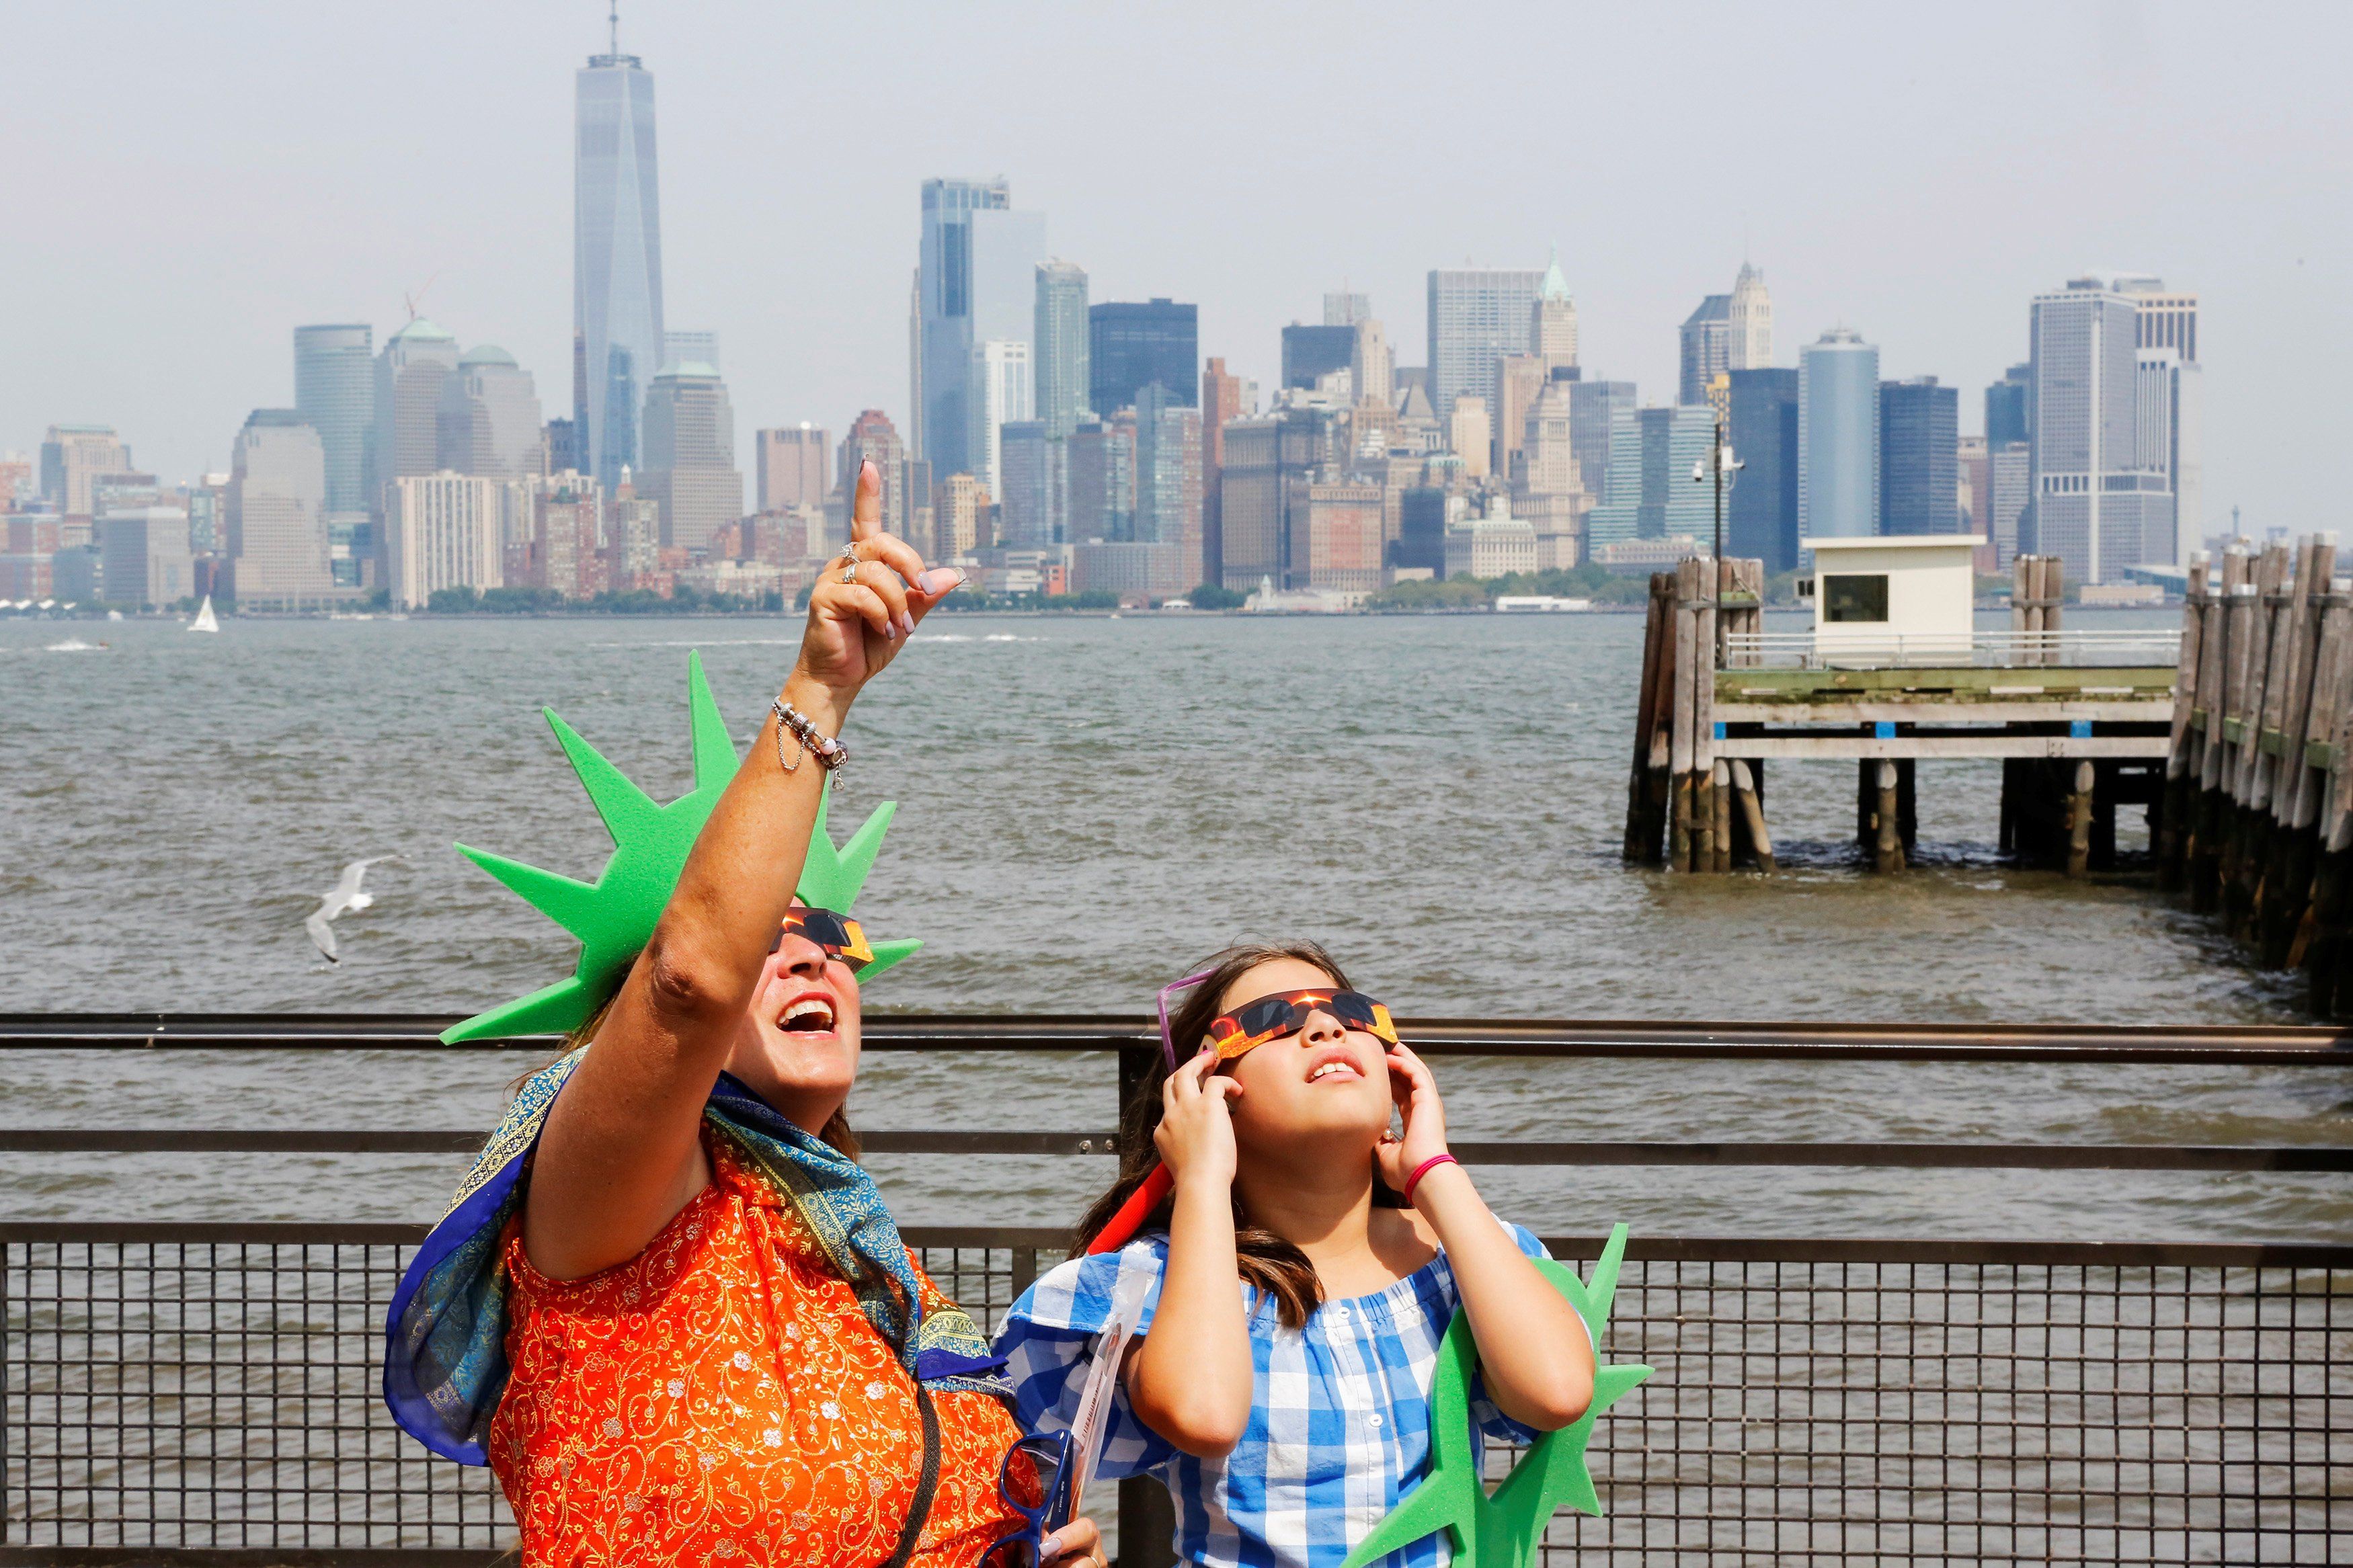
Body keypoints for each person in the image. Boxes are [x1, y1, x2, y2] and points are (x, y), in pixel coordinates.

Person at [383, 460, 1104, 1568]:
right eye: (768, 934)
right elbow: (691, 980)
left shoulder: (854, 1249)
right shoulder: (611, 1195)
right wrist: (821, 689)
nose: (809, 954)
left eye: (831, 934)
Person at [994, 942, 1596, 1568]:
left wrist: (1434, 1172)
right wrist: (1201, 1176)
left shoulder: (1461, 1252)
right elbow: (1204, 1413)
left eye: (1352, 1012)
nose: (1326, 1026)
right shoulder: (1166, 1281)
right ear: (1208, 1092)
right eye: (1272, 1020)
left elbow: (1556, 1391)